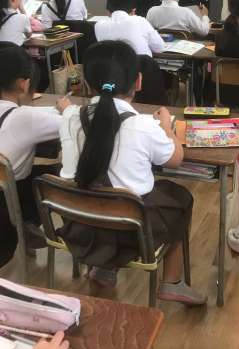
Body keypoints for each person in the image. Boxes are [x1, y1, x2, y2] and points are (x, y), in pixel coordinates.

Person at [58, 40, 207, 304]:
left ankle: (104, 267)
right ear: (138, 82)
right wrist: (166, 127)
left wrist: (66, 109)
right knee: (180, 198)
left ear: (86, 83)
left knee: (102, 193)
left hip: (81, 227)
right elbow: (175, 159)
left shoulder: (70, 117)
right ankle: (172, 281)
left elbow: (74, 115)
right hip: (132, 234)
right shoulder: (144, 126)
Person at [0, 43, 69, 266]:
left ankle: (27, 224)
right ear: (24, 84)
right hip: (6, 211)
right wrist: (67, 109)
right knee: (58, 173)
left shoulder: (24, 116)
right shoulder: (24, 118)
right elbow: (75, 124)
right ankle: (26, 223)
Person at [95, 0, 165, 57]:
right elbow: (159, 48)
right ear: (133, 11)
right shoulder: (139, 20)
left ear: (108, 12)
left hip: (110, 65)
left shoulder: (98, 25)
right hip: (139, 64)